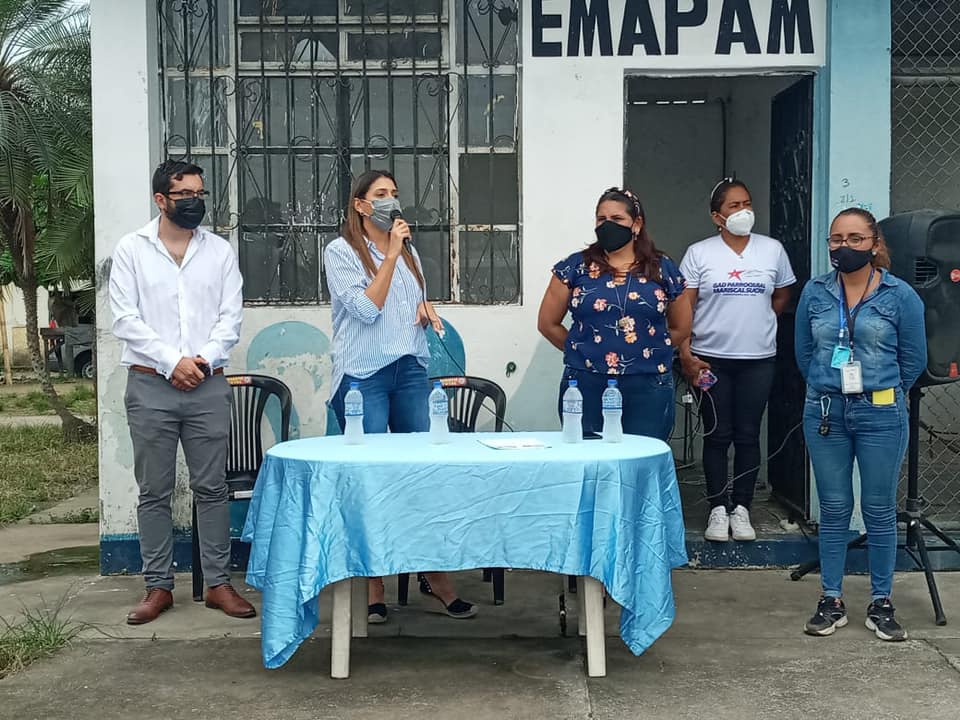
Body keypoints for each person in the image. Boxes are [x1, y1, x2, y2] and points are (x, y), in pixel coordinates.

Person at [323, 169, 477, 624]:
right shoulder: (341, 251)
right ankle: (374, 585)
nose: (391, 201)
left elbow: (403, 304)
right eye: (380, 194)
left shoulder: (409, 252)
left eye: (394, 193)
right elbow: (366, 308)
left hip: (409, 369)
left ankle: (434, 575)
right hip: (363, 376)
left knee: (421, 475)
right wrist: (390, 253)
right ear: (360, 205)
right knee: (372, 480)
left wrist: (425, 309)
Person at [109, 160, 256, 624]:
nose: (195, 201)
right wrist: (172, 362)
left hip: (207, 384)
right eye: (184, 194)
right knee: (154, 490)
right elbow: (125, 320)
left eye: (199, 193)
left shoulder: (219, 252)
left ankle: (218, 584)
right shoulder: (132, 249)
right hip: (150, 385)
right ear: (161, 200)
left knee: (211, 488)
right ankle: (158, 587)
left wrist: (201, 362)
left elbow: (230, 317)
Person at [796, 208, 926, 641]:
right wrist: (829, 386)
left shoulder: (899, 295)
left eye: (855, 239)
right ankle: (831, 599)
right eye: (836, 239)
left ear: (874, 244)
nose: (844, 246)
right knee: (834, 508)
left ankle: (881, 602)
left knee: (878, 508)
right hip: (826, 413)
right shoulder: (815, 292)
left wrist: (879, 391)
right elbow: (803, 353)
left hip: (881, 414)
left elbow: (914, 359)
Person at [678, 179, 796, 543]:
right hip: (710, 360)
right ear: (717, 216)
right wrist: (686, 354)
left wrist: (755, 324)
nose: (743, 211)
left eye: (747, 203)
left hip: (757, 359)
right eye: (733, 205)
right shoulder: (699, 254)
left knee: (747, 434)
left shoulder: (772, 250)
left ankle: (741, 507)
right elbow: (684, 307)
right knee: (717, 434)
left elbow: (781, 297)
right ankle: (717, 507)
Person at [538, 187, 691, 440]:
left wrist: (648, 348)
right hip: (586, 383)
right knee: (588, 455)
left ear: (636, 224)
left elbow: (682, 327)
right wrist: (584, 350)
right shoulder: (575, 267)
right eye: (602, 219)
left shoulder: (662, 269)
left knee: (642, 454)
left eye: (617, 219)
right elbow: (547, 323)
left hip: (648, 383)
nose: (607, 225)